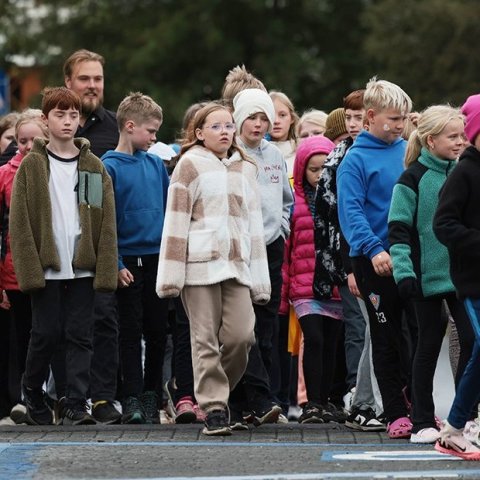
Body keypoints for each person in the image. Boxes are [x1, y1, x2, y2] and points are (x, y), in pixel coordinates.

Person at [156, 102, 271, 436]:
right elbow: (175, 223)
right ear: (199, 133)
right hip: (199, 267)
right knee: (204, 339)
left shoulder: (245, 167)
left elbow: (253, 226)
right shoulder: (188, 165)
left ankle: (218, 394)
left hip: (236, 266)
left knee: (241, 336)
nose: (225, 132)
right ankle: (216, 407)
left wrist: (259, 278)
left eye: (228, 126)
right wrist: (171, 276)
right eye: (216, 126)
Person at [9, 86, 117, 425]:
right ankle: (33, 389)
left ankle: (75, 402)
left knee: (80, 334)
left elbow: (101, 216)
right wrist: (29, 269)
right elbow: (20, 223)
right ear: (45, 120)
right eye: (60, 115)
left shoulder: (92, 165)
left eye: (73, 115)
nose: (68, 121)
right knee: (45, 333)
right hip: (47, 265)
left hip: (81, 264)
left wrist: (104, 267)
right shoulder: (32, 166)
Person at [388, 105, 474, 444]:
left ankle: (464, 416)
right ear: (430, 140)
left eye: (462, 136)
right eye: (452, 137)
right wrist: (404, 271)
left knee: (471, 340)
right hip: (423, 279)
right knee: (426, 344)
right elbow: (398, 229)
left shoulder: (463, 173)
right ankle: (421, 418)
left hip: (460, 278)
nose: (459, 142)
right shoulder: (411, 179)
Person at [337, 77, 414, 439]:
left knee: (417, 333)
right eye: (394, 119)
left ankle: (421, 406)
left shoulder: (407, 150)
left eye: (404, 119)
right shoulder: (354, 160)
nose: (400, 126)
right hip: (373, 260)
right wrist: (373, 249)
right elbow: (351, 215)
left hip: (410, 256)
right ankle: (394, 413)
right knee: (385, 335)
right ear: (370, 116)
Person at [314, 89, 385, 431]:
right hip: (355, 257)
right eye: (350, 117)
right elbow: (338, 219)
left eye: (360, 117)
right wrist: (345, 268)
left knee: (381, 329)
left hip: (386, 254)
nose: (354, 123)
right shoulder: (340, 158)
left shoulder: (387, 151)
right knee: (362, 330)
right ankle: (361, 397)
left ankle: (374, 396)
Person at [102, 92, 170, 425]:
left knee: (158, 330)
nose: (155, 138)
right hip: (127, 261)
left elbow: (169, 210)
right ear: (130, 126)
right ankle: (130, 397)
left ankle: (151, 394)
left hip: (157, 259)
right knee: (129, 332)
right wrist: (115, 263)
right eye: (151, 131)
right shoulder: (106, 167)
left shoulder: (156, 165)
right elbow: (101, 222)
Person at [228, 88, 293, 428]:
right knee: (242, 327)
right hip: (239, 248)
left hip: (270, 246)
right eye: (251, 117)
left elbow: (286, 198)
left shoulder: (274, 155)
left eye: (264, 118)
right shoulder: (230, 153)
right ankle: (248, 398)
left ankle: (262, 401)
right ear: (239, 119)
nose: (258, 125)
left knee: (267, 326)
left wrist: (281, 226)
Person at [64, 49, 121, 424]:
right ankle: (68, 398)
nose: (92, 86)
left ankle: (100, 398)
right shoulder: (52, 125)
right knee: (58, 326)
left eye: (97, 79)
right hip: (57, 238)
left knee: (103, 320)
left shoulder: (116, 127)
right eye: (84, 79)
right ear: (68, 82)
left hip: (100, 240)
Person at [280, 135, 346, 423]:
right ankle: (311, 403)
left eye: (324, 168)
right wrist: (283, 291)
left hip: (334, 285)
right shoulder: (294, 203)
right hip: (304, 286)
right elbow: (287, 249)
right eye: (313, 169)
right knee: (314, 339)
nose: (319, 175)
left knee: (332, 344)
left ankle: (327, 399)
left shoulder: (340, 199)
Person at [433, 93, 480, 460]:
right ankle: (454, 426)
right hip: (474, 282)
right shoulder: (464, 172)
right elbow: (444, 225)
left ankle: (457, 424)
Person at [0, 111, 49, 424]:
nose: (28, 146)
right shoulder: (4, 173)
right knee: (20, 337)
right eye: (22, 141)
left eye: (35, 140)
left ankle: (44, 395)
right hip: (12, 269)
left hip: (49, 268)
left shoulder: (54, 169)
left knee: (46, 333)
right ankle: (20, 398)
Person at [269, 91, 299, 178]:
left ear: (292, 118)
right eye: (271, 115)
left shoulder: (300, 151)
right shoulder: (256, 152)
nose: (276, 121)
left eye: (282, 115)